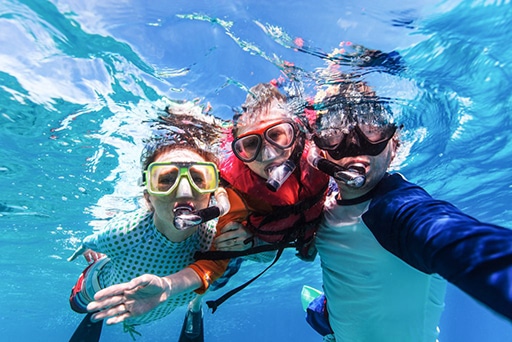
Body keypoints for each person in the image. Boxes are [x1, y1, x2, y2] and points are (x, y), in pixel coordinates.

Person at [308, 79, 512, 341]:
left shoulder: (395, 210)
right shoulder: (322, 207)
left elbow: (458, 241)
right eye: (334, 130)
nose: (354, 143)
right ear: (322, 151)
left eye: (372, 126)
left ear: (394, 145)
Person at [67, 102, 231, 342]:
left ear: (211, 194)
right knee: (76, 305)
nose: (184, 191)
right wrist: (91, 245)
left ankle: (195, 301)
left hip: (167, 300)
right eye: (166, 180)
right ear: (148, 198)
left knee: (215, 275)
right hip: (102, 288)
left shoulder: (216, 236)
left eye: (198, 178)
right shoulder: (126, 231)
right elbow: (92, 240)